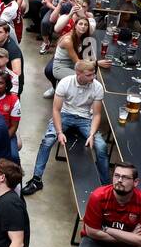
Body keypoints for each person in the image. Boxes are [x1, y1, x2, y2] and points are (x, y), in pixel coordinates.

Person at [22, 61, 109, 194]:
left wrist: (91, 134)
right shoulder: (65, 83)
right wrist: (59, 132)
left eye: (93, 74)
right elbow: (56, 110)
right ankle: (36, 180)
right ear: (78, 74)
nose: (93, 77)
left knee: (101, 146)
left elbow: (97, 114)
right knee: (47, 141)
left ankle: (105, 187)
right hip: (65, 115)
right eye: (89, 75)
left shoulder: (97, 87)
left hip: (85, 119)